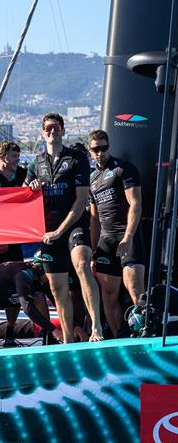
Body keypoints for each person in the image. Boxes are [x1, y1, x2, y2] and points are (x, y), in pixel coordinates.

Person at [25, 112, 103, 342]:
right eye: (48, 127)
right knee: (58, 289)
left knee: (81, 265)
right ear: (42, 132)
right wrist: (31, 186)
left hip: (74, 226)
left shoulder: (77, 158)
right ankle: (68, 338)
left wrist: (61, 231)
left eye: (56, 127)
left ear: (63, 130)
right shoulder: (35, 163)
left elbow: (80, 201)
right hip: (48, 231)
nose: (52, 131)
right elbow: (23, 196)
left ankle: (96, 326)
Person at [88, 129, 145, 337]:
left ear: (109, 147)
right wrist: (93, 252)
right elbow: (93, 219)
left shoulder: (124, 169)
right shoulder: (92, 178)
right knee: (108, 295)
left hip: (127, 236)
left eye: (104, 148)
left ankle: (146, 332)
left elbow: (136, 203)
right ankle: (120, 337)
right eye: (96, 149)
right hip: (106, 239)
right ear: (90, 151)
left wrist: (128, 237)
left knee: (135, 288)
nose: (100, 153)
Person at [0, 140, 27, 265]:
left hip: (17, 233)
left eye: (18, 156)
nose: (18, 160)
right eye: (14, 156)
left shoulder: (24, 175)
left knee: (17, 270)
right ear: (1, 157)